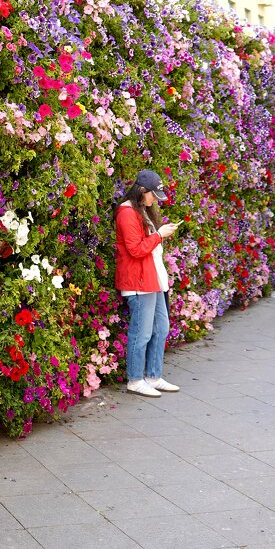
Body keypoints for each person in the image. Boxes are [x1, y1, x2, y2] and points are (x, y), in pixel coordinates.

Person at [115, 169, 181, 397]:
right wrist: (159, 235)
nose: (155, 199)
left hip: (151, 278)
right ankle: (135, 380)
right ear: (142, 190)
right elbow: (135, 249)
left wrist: (160, 234)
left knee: (161, 328)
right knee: (141, 333)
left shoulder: (141, 209)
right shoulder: (127, 213)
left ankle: (153, 376)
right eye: (153, 194)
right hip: (138, 281)